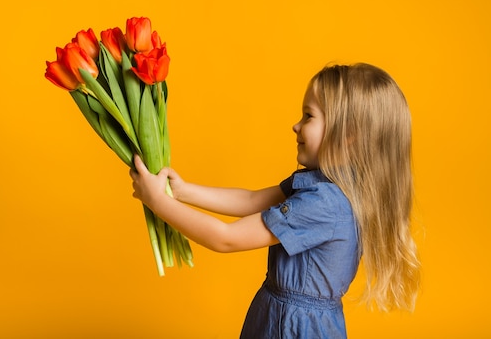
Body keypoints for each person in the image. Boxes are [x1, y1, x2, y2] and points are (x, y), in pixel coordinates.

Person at [129, 63, 421, 338]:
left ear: (348, 136)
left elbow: (226, 238)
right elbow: (252, 199)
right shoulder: (325, 185)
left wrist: (158, 202)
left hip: (293, 327)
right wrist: (182, 192)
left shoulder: (325, 203)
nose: (296, 126)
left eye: (309, 116)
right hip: (279, 314)